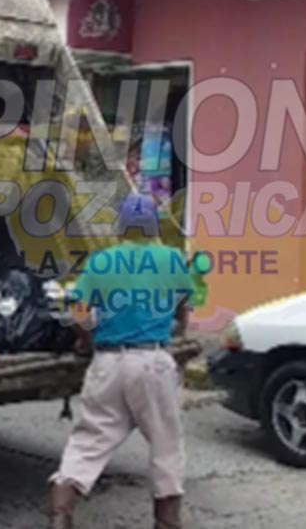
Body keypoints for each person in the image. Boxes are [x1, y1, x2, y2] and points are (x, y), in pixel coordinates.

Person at [50, 193, 194, 529]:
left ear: (122, 227)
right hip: (153, 361)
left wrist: (85, 337)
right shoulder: (171, 260)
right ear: (153, 226)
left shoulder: (101, 261)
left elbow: (79, 312)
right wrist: (175, 331)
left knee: (87, 443)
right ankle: (167, 523)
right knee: (166, 444)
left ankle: (60, 518)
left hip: (108, 363)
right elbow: (182, 308)